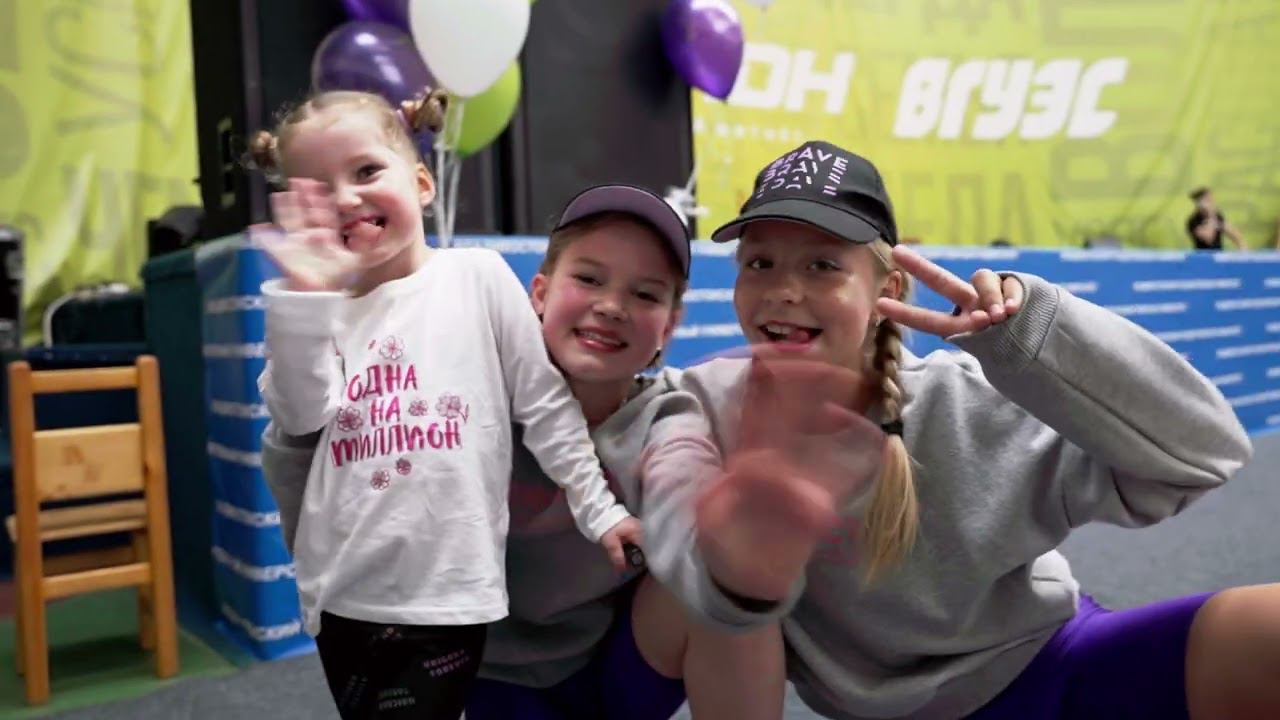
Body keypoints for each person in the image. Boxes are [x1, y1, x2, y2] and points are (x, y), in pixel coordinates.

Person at [646, 140, 1275, 720]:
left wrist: (1030, 335)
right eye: (759, 262)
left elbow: (1206, 452)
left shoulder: (964, 402)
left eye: (821, 265)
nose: (783, 290)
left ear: (888, 289)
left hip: (1049, 674)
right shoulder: (702, 405)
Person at [262, 183, 817, 719]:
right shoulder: (463, 400)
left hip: (612, 669)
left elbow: (684, 469)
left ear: (669, 327)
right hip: (475, 673)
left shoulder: (670, 414)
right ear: (539, 294)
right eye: (589, 278)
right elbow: (307, 452)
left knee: (726, 590)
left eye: (645, 294)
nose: (611, 305)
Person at [249, 88, 640, 720]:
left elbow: (545, 406)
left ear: (422, 183)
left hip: (447, 593)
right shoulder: (313, 310)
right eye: (319, 191)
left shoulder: (476, 277)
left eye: (366, 171)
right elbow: (299, 417)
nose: (345, 199)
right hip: (342, 591)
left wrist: (599, 510)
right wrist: (302, 299)